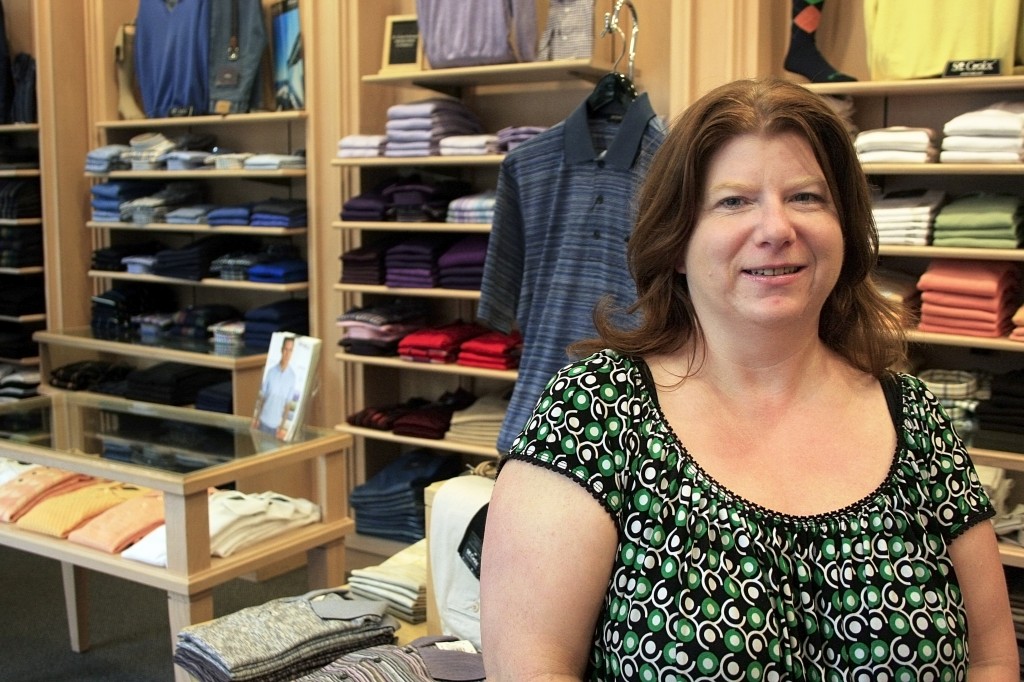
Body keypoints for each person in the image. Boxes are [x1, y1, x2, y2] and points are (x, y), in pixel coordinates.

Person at [479, 77, 1019, 680]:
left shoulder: (914, 419)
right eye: (734, 201)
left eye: (808, 198)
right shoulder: (594, 415)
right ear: (677, 238)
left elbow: (992, 656)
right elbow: (532, 668)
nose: (776, 228)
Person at [252, 334, 296, 439]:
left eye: (290, 350)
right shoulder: (271, 372)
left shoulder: (292, 377)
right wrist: (256, 419)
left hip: (275, 426)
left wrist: (281, 427)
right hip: (263, 421)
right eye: (286, 349)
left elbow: (287, 406)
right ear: (281, 350)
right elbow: (262, 398)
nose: (287, 353)